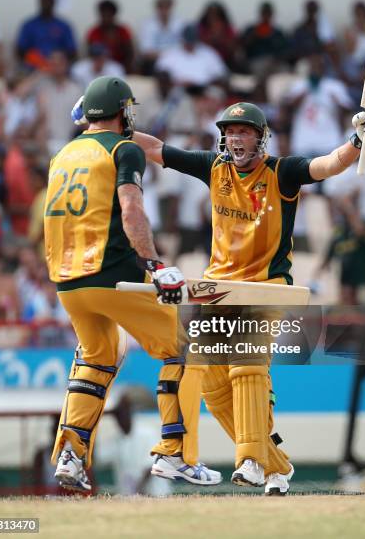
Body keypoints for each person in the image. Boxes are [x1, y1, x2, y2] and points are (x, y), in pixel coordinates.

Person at [132, 101, 365, 495]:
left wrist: (358, 141)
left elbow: (328, 165)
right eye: (230, 131)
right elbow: (156, 149)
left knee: (246, 365)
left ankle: (250, 459)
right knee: (212, 385)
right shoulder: (212, 167)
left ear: (261, 137)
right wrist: (107, 131)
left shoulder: (281, 172)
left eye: (244, 132)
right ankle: (275, 465)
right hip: (218, 290)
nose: (235, 138)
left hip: (266, 286)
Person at [46, 76, 220, 493]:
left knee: (97, 359)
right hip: (114, 272)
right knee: (185, 347)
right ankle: (176, 453)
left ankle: (70, 453)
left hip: (68, 282)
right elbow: (131, 207)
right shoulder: (124, 150)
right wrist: (155, 263)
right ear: (122, 111)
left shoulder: (62, 155)